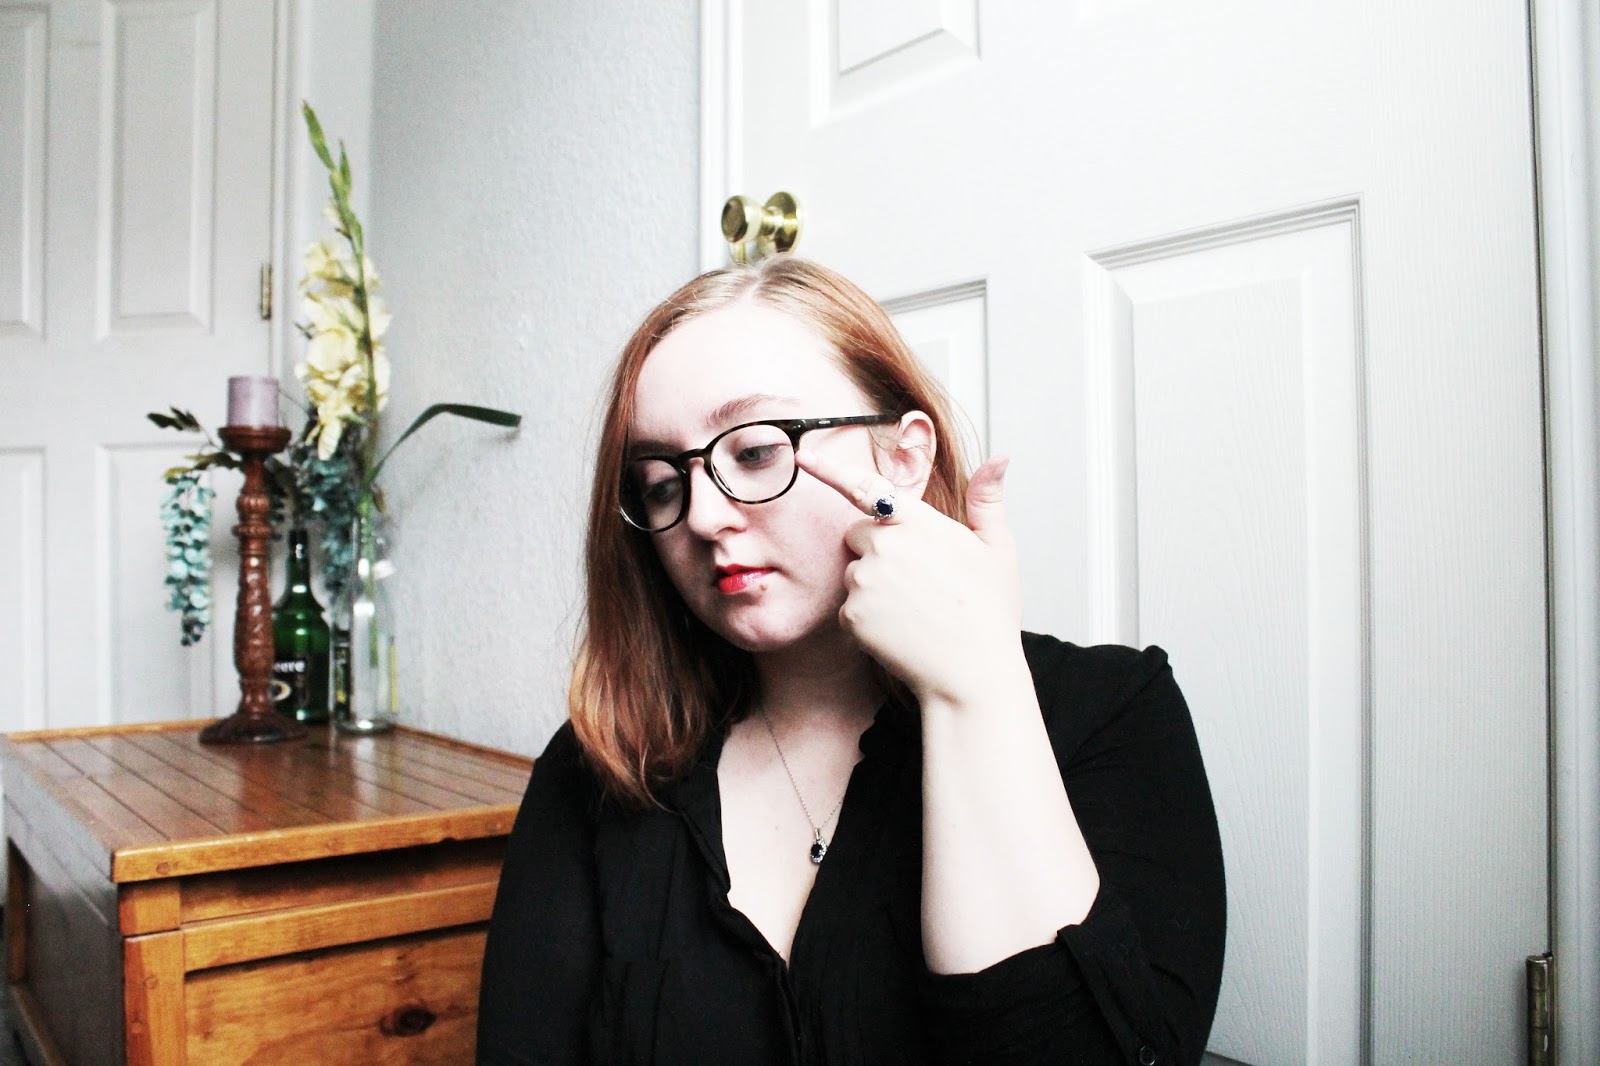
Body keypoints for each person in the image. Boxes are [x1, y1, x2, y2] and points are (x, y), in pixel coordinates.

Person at [477, 256, 1225, 1065]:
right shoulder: (605, 764)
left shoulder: (1114, 714)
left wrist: (975, 687)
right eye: (661, 482)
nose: (701, 516)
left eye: (755, 451)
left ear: (902, 457)